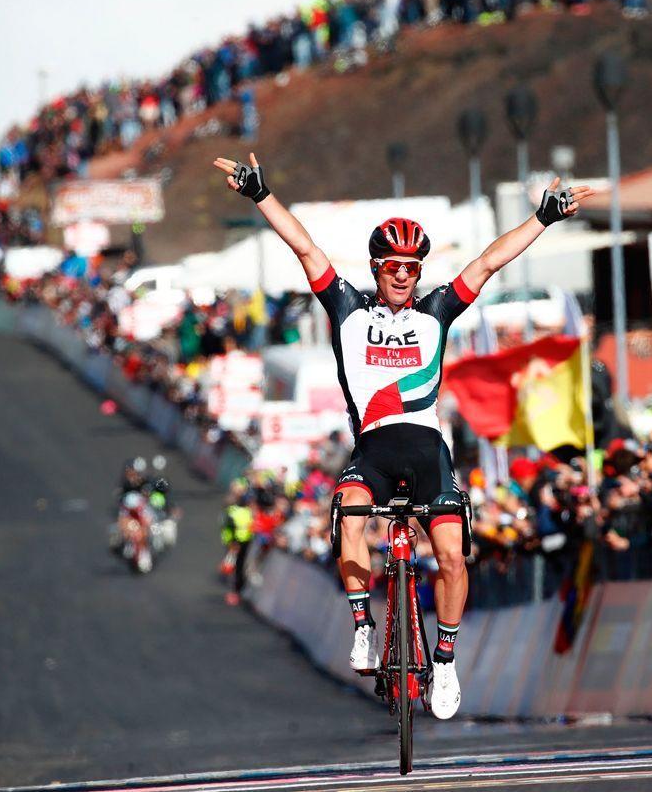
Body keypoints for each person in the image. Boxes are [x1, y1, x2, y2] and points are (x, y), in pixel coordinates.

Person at [213, 152, 593, 719]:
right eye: (392, 265)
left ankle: (443, 661)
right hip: (373, 449)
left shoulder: (436, 311)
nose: (402, 274)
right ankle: (364, 624)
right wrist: (261, 193)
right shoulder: (346, 309)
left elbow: (488, 263)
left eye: (412, 267)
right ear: (375, 267)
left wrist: (542, 218)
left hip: (427, 450)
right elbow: (307, 249)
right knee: (348, 514)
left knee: (451, 556)